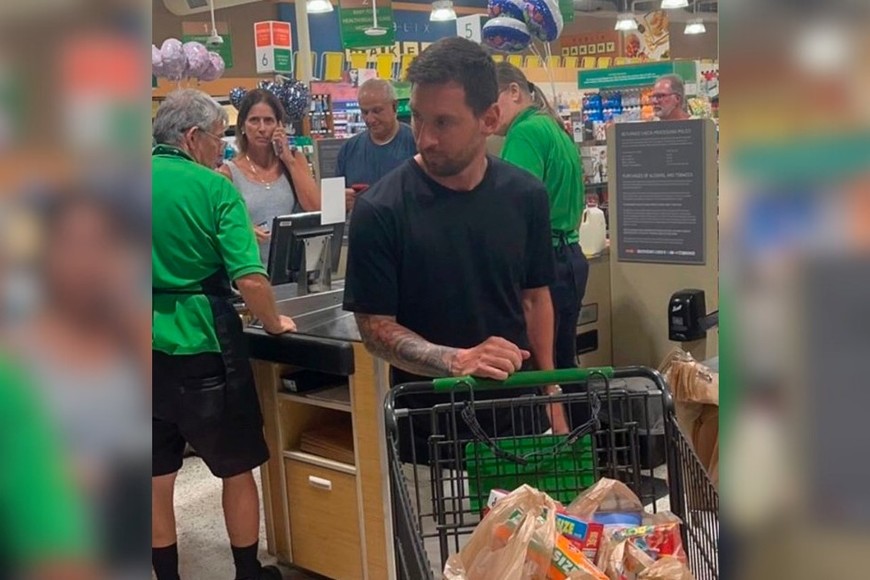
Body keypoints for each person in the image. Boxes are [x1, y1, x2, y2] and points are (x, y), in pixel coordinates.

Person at [343, 37, 569, 466]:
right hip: (427, 433)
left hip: (517, 420)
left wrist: (551, 392)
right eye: (417, 118)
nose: (424, 138)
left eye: (443, 123)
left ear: (489, 119)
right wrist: (456, 360)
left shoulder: (526, 196)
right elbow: (374, 328)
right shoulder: (381, 209)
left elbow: (535, 298)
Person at [152, 89, 296, 580]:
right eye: (219, 137)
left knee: (154, 475)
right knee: (237, 466)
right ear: (193, 137)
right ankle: (247, 572)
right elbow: (250, 279)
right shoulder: (214, 189)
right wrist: (273, 322)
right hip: (203, 341)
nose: (223, 148)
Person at [494, 62, 590, 422]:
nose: (487, 112)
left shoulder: (525, 133)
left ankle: (557, 446)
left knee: (540, 372)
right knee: (564, 362)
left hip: (543, 265)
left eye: (491, 100)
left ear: (514, 92)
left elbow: (513, 208)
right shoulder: (552, 127)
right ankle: (582, 442)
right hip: (571, 255)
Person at [219, 88, 321, 265]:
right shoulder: (228, 173)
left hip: (293, 267)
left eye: (268, 121)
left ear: (279, 125)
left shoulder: (295, 160)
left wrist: (288, 159)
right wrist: (244, 230)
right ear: (242, 126)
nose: (262, 128)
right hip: (251, 267)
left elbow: (315, 208)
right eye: (254, 121)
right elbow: (221, 228)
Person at [336, 78, 416, 212]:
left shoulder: (416, 144)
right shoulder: (348, 150)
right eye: (365, 112)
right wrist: (340, 201)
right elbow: (333, 207)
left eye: (377, 111)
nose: (370, 119)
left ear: (394, 106)